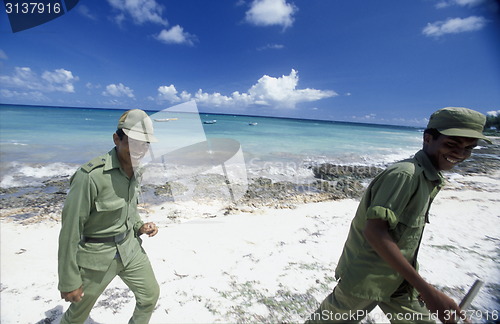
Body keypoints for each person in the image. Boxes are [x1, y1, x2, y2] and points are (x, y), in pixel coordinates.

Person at [306, 107, 491, 324]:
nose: (461, 154)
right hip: (367, 280)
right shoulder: (405, 175)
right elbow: (374, 232)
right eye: (452, 144)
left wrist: (419, 285)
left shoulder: (428, 178)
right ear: (428, 139)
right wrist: (428, 291)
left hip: (399, 279)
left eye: (469, 148)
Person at [58, 109, 160, 324]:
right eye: (134, 142)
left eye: (145, 144)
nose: (140, 150)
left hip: (130, 249)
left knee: (150, 296)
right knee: (76, 316)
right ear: (117, 138)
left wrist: (140, 226)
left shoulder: (137, 171)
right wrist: (69, 281)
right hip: (97, 258)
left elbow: (129, 207)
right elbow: (70, 231)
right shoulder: (90, 177)